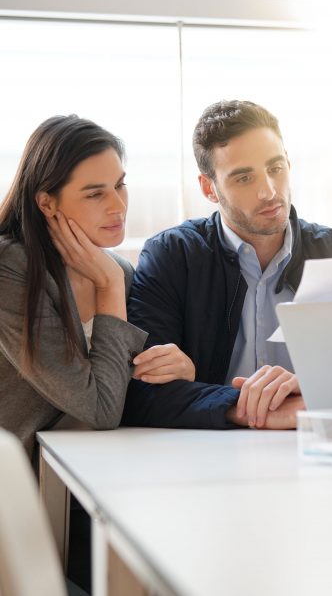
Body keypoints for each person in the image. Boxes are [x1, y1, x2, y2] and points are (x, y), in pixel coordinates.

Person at [123, 100, 332, 430]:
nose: (268, 191)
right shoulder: (172, 256)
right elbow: (141, 394)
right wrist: (245, 408)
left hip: (319, 445)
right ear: (209, 188)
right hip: (209, 454)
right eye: (243, 178)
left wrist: (310, 399)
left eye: (276, 169)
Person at [0, 115, 194, 460]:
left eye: (120, 185)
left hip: (97, 467)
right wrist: (108, 286)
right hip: (23, 485)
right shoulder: (11, 267)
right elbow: (100, 409)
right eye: (95, 194)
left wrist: (178, 371)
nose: (118, 206)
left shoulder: (117, 270)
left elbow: (121, 387)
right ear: (47, 203)